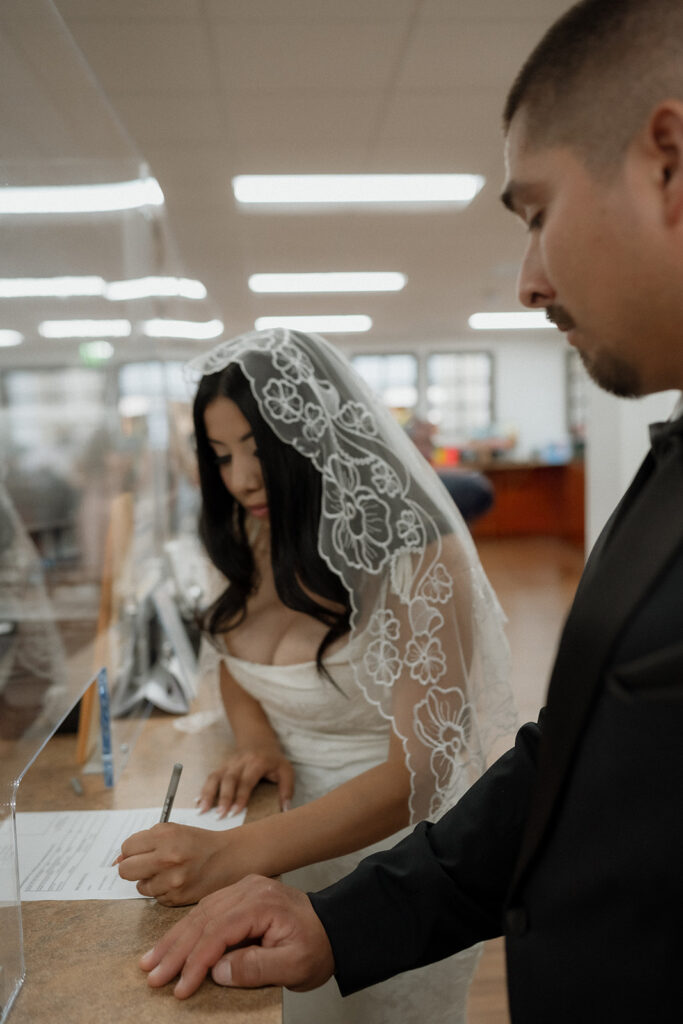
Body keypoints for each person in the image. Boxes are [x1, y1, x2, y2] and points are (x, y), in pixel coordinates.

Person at [134, 2, 683, 1019]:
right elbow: (556, 761)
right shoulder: (661, 475)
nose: (524, 280)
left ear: (666, 157)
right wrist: (338, 921)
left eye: (533, 210)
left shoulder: (417, 548)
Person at [117, 327, 516, 1024]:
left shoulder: (418, 558)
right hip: (269, 839)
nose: (241, 479)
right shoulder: (249, 534)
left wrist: (231, 854)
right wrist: (259, 744)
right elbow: (237, 665)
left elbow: (417, 776)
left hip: (386, 862)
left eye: (257, 450)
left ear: (319, 431)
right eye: (220, 456)